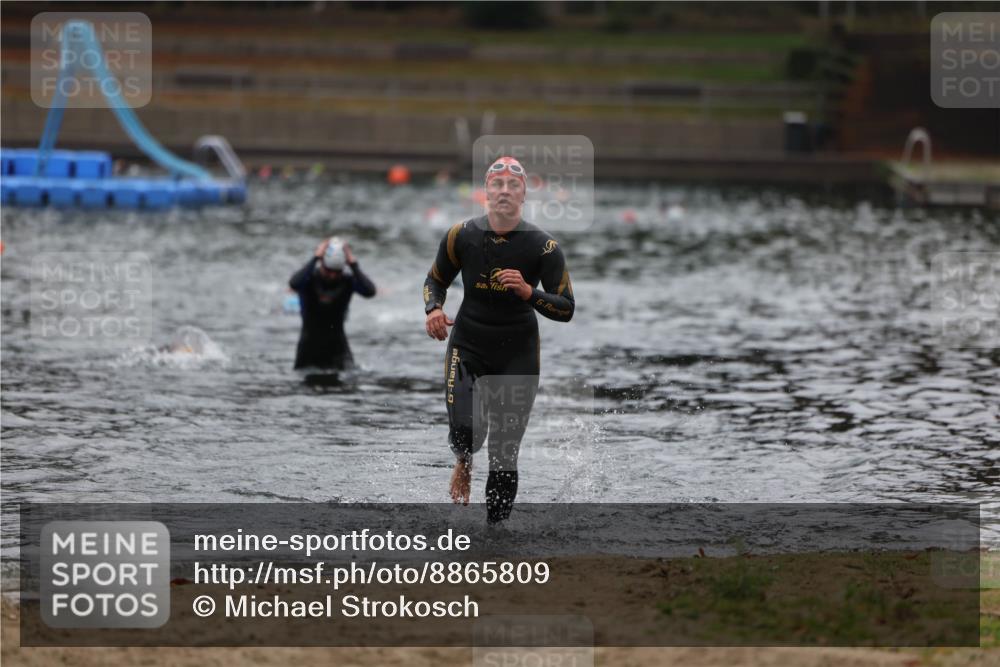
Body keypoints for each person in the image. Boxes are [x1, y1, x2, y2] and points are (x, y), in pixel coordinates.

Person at [423, 156, 575, 523]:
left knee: (505, 454)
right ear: (485, 193)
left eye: (513, 185)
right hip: (468, 345)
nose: (504, 190)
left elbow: (566, 308)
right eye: (497, 184)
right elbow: (435, 280)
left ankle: (497, 535)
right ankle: (463, 461)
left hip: (518, 353)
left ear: (524, 194)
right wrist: (433, 310)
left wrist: (528, 293)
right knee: (466, 432)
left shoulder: (543, 247)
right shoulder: (462, 235)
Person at [290, 236, 376, 370]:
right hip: (308, 348)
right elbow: (294, 283)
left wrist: (353, 264)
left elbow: (370, 291)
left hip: (338, 348)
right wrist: (315, 257)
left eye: (337, 272)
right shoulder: (310, 279)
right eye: (329, 271)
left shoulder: (347, 281)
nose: (332, 276)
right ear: (322, 264)